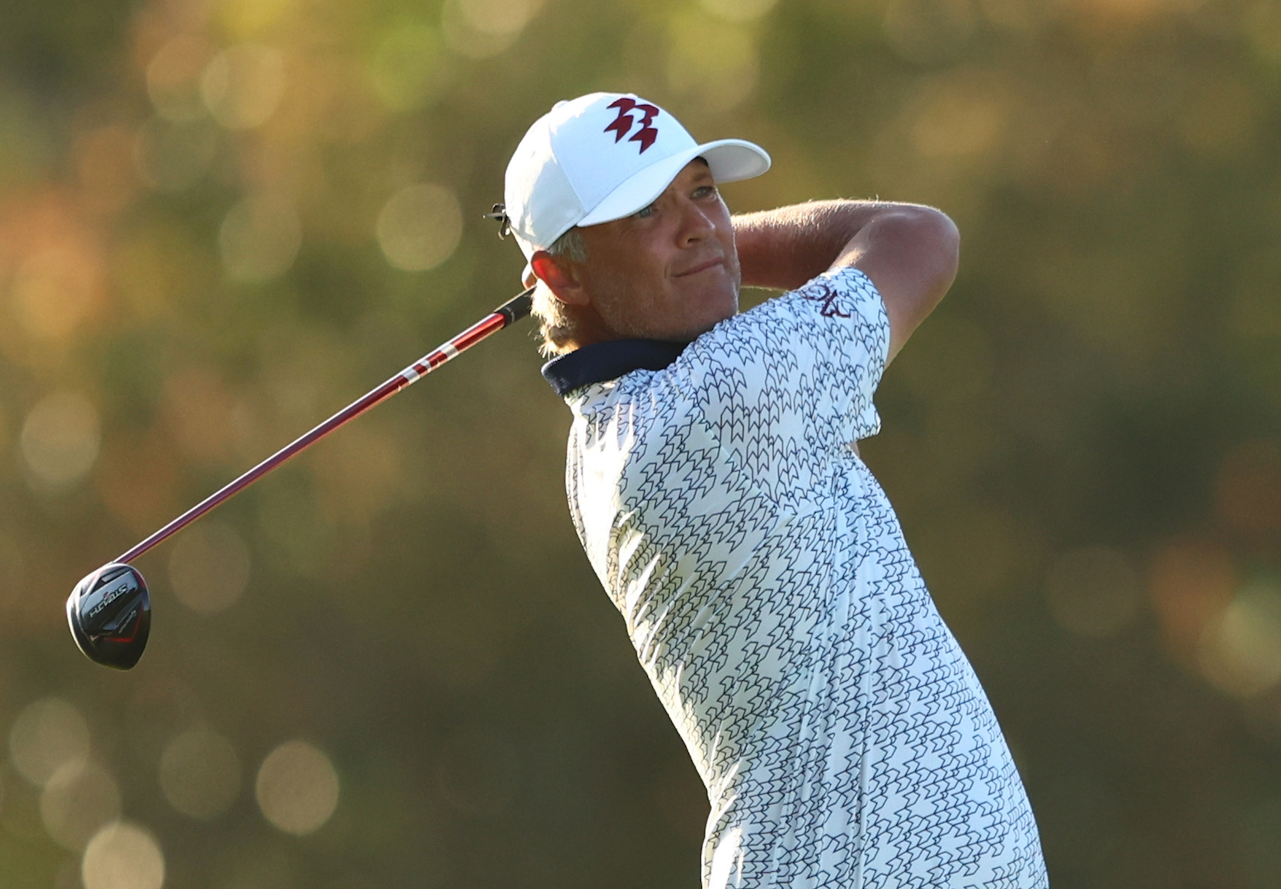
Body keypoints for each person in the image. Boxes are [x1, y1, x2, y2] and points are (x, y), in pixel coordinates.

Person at [499, 92, 1048, 888]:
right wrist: (716, 250)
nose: (699, 224)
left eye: (702, 192)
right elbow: (914, 236)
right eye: (645, 212)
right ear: (558, 267)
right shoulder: (723, 398)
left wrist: (691, 250)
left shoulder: (611, 433)